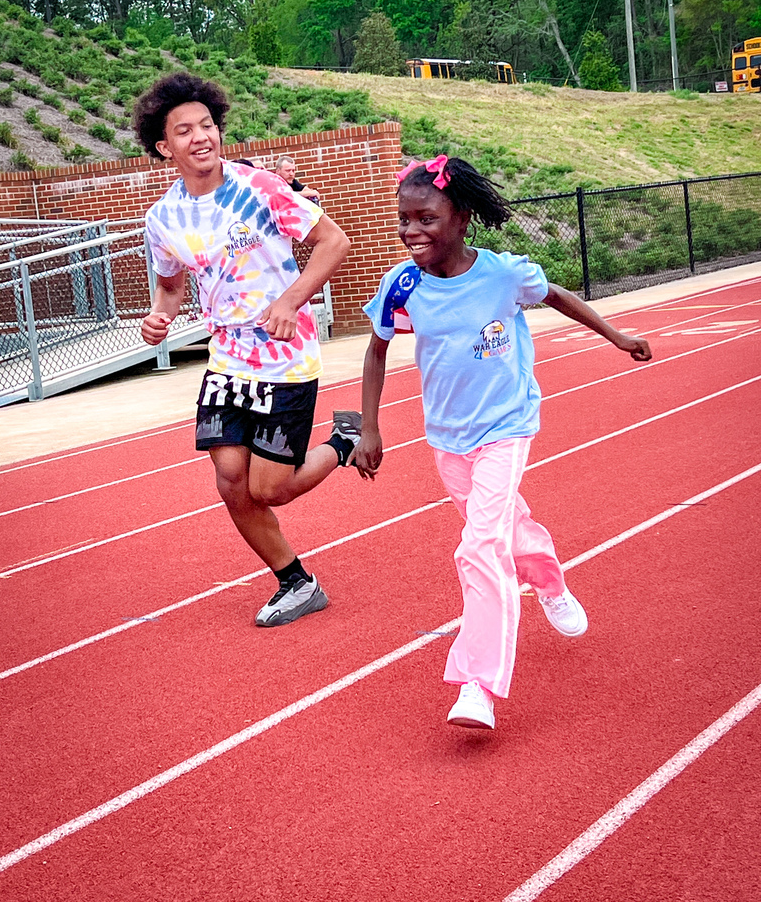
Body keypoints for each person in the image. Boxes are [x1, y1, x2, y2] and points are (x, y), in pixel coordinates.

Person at [353, 155, 652, 730]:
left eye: (426, 219)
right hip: (447, 436)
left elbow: (556, 294)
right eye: (404, 220)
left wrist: (616, 336)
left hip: (507, 425)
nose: (412, 232)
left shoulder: (503, 274)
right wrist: (370, 425)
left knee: (480, 547)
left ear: (462, 218)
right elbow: (376, 349)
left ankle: (477, 684)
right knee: (506, 529)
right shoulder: (402, 283)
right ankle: (549, 579)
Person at [133, 72, 362, 628]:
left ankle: (343, 441)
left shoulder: (260, 188)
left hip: (286, 357)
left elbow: (334, 242)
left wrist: (290, 300)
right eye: (184, 130)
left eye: (207, 125)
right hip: (227, 359)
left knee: (270, 488)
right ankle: (296, 583)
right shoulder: (162, 218)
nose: (200, 137)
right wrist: (160, 315)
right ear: (165, 146)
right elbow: (169, 283)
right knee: (230, 481)